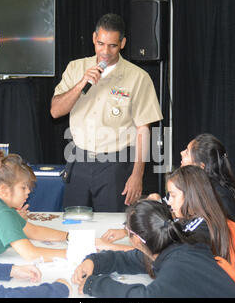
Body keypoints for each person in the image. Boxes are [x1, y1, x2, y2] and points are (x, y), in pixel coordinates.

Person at [50, 13, 163, 212]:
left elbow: (143, 130)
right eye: (100, 43)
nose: (105, 51)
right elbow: (55, 112)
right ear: (94, 38)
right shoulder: (76, 68)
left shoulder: (138, 77)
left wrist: (137, 175)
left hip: (116, 166)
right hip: (79, 161)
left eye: (112, 45)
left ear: (123, 43)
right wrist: (81, 84)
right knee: (75, 224)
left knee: (113, 225)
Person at [72, 200, 235, 298]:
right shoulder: (177, 245)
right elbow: (130, 259)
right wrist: (94, 261)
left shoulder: (176, 267)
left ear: (137, 240)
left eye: (127, 229)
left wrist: (95, 285)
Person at [101, 132, 235, 243]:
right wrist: (155, 204)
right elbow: (164, 211)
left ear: (199, 166)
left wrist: (122, 245)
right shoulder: (190, 186)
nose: (181, 153)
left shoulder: (216, 199)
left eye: (186, 152)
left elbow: (181, 238)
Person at [0, 150, 68, 262]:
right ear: (4, 190)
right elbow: (31, 254)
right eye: (23, 187)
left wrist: (69, 237)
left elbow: (34, 231)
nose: (29, 191)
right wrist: (73, 253)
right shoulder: (2, 214)